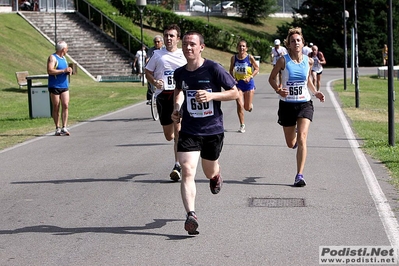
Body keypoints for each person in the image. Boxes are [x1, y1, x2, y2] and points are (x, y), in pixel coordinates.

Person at [172, 30, 239, 235]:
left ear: (201, 47)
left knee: (208, 171)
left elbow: (235, 92)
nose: (188, 48)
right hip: (190, 130)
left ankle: (216, 175)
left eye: (192, 44)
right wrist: (176, 108)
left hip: (212, 130)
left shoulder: (213, 69)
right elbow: (179, 91)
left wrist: (211, 96)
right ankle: (191, 214)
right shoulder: (180, 73)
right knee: (187, 169)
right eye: (185, 44)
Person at [268, 27, 325, 187]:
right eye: (293, 41)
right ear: (289, 44)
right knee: (290, 142)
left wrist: (316, 93)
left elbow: (308, 81)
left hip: (304, 103)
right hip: (287, 106)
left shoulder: (309, 61)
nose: (296, 43)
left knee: (302, 138)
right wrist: (279, 89)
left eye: (298, 40)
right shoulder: (283, 61)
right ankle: (294, 139)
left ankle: (299, 175)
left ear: (302, 43)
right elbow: (271, 79)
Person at [145, 24, 187, 181]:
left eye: (171, 35)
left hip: (179, 95)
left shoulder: (184, 55)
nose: (168, 38)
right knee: (169, 135)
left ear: (178, 38)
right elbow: (147, 72)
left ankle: (177, 165)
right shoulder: (157, 55)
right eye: (166, 35)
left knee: (178, 131)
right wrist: (155, 82)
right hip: (163, 96)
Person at [229, 39, 259, 133]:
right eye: (240, 46)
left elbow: (257, 69)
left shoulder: (249, 57)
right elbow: (230, 70)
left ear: (246, 48)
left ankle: (250, 106)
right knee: (239, 105)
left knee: (247, 107)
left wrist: (250, 77)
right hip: (239, 84)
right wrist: (233, 79)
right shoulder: (234, 58)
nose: (241, 48)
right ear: (237, 47)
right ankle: (242, 125)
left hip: (249, 84)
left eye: (243, 46)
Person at [47, 40, 73, 136]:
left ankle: (64, 127)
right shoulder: (52, 58)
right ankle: (57, 127)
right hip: (55, 86)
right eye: (67, 48)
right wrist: (63, 70)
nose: (67, 50)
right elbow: (50, 70)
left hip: (64, 85)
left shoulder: (64, 58)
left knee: (65, 105)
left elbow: (65, 70)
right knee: (56, 106)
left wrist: (69, 70)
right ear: (63, 49)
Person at [145, 35, 165, 105]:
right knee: (150, 81)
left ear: (162, 42)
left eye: (158, 42)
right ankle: (150, 98)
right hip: (153, 68)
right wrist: (147, 61)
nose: (156, 43)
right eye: (155, 42)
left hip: (161, 68)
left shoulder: (164, 49)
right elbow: (148, 58)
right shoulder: (151, 50)